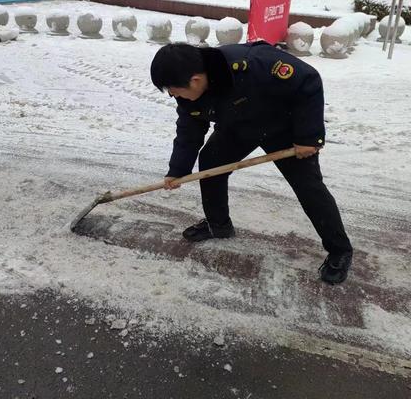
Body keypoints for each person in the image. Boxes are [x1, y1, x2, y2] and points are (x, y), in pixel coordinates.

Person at [150, 41, 353, 285]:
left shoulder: (253, 63)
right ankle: (218, 224)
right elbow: (188, 131)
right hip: (238, 128)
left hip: (284, 129)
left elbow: (308, 81)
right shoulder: (191, 94)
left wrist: (309, 137)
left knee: (308, 186)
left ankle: (340, 250)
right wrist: (178, 170)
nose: (174, 96)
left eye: (175, 91)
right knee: (211, 163)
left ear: (194, 80)